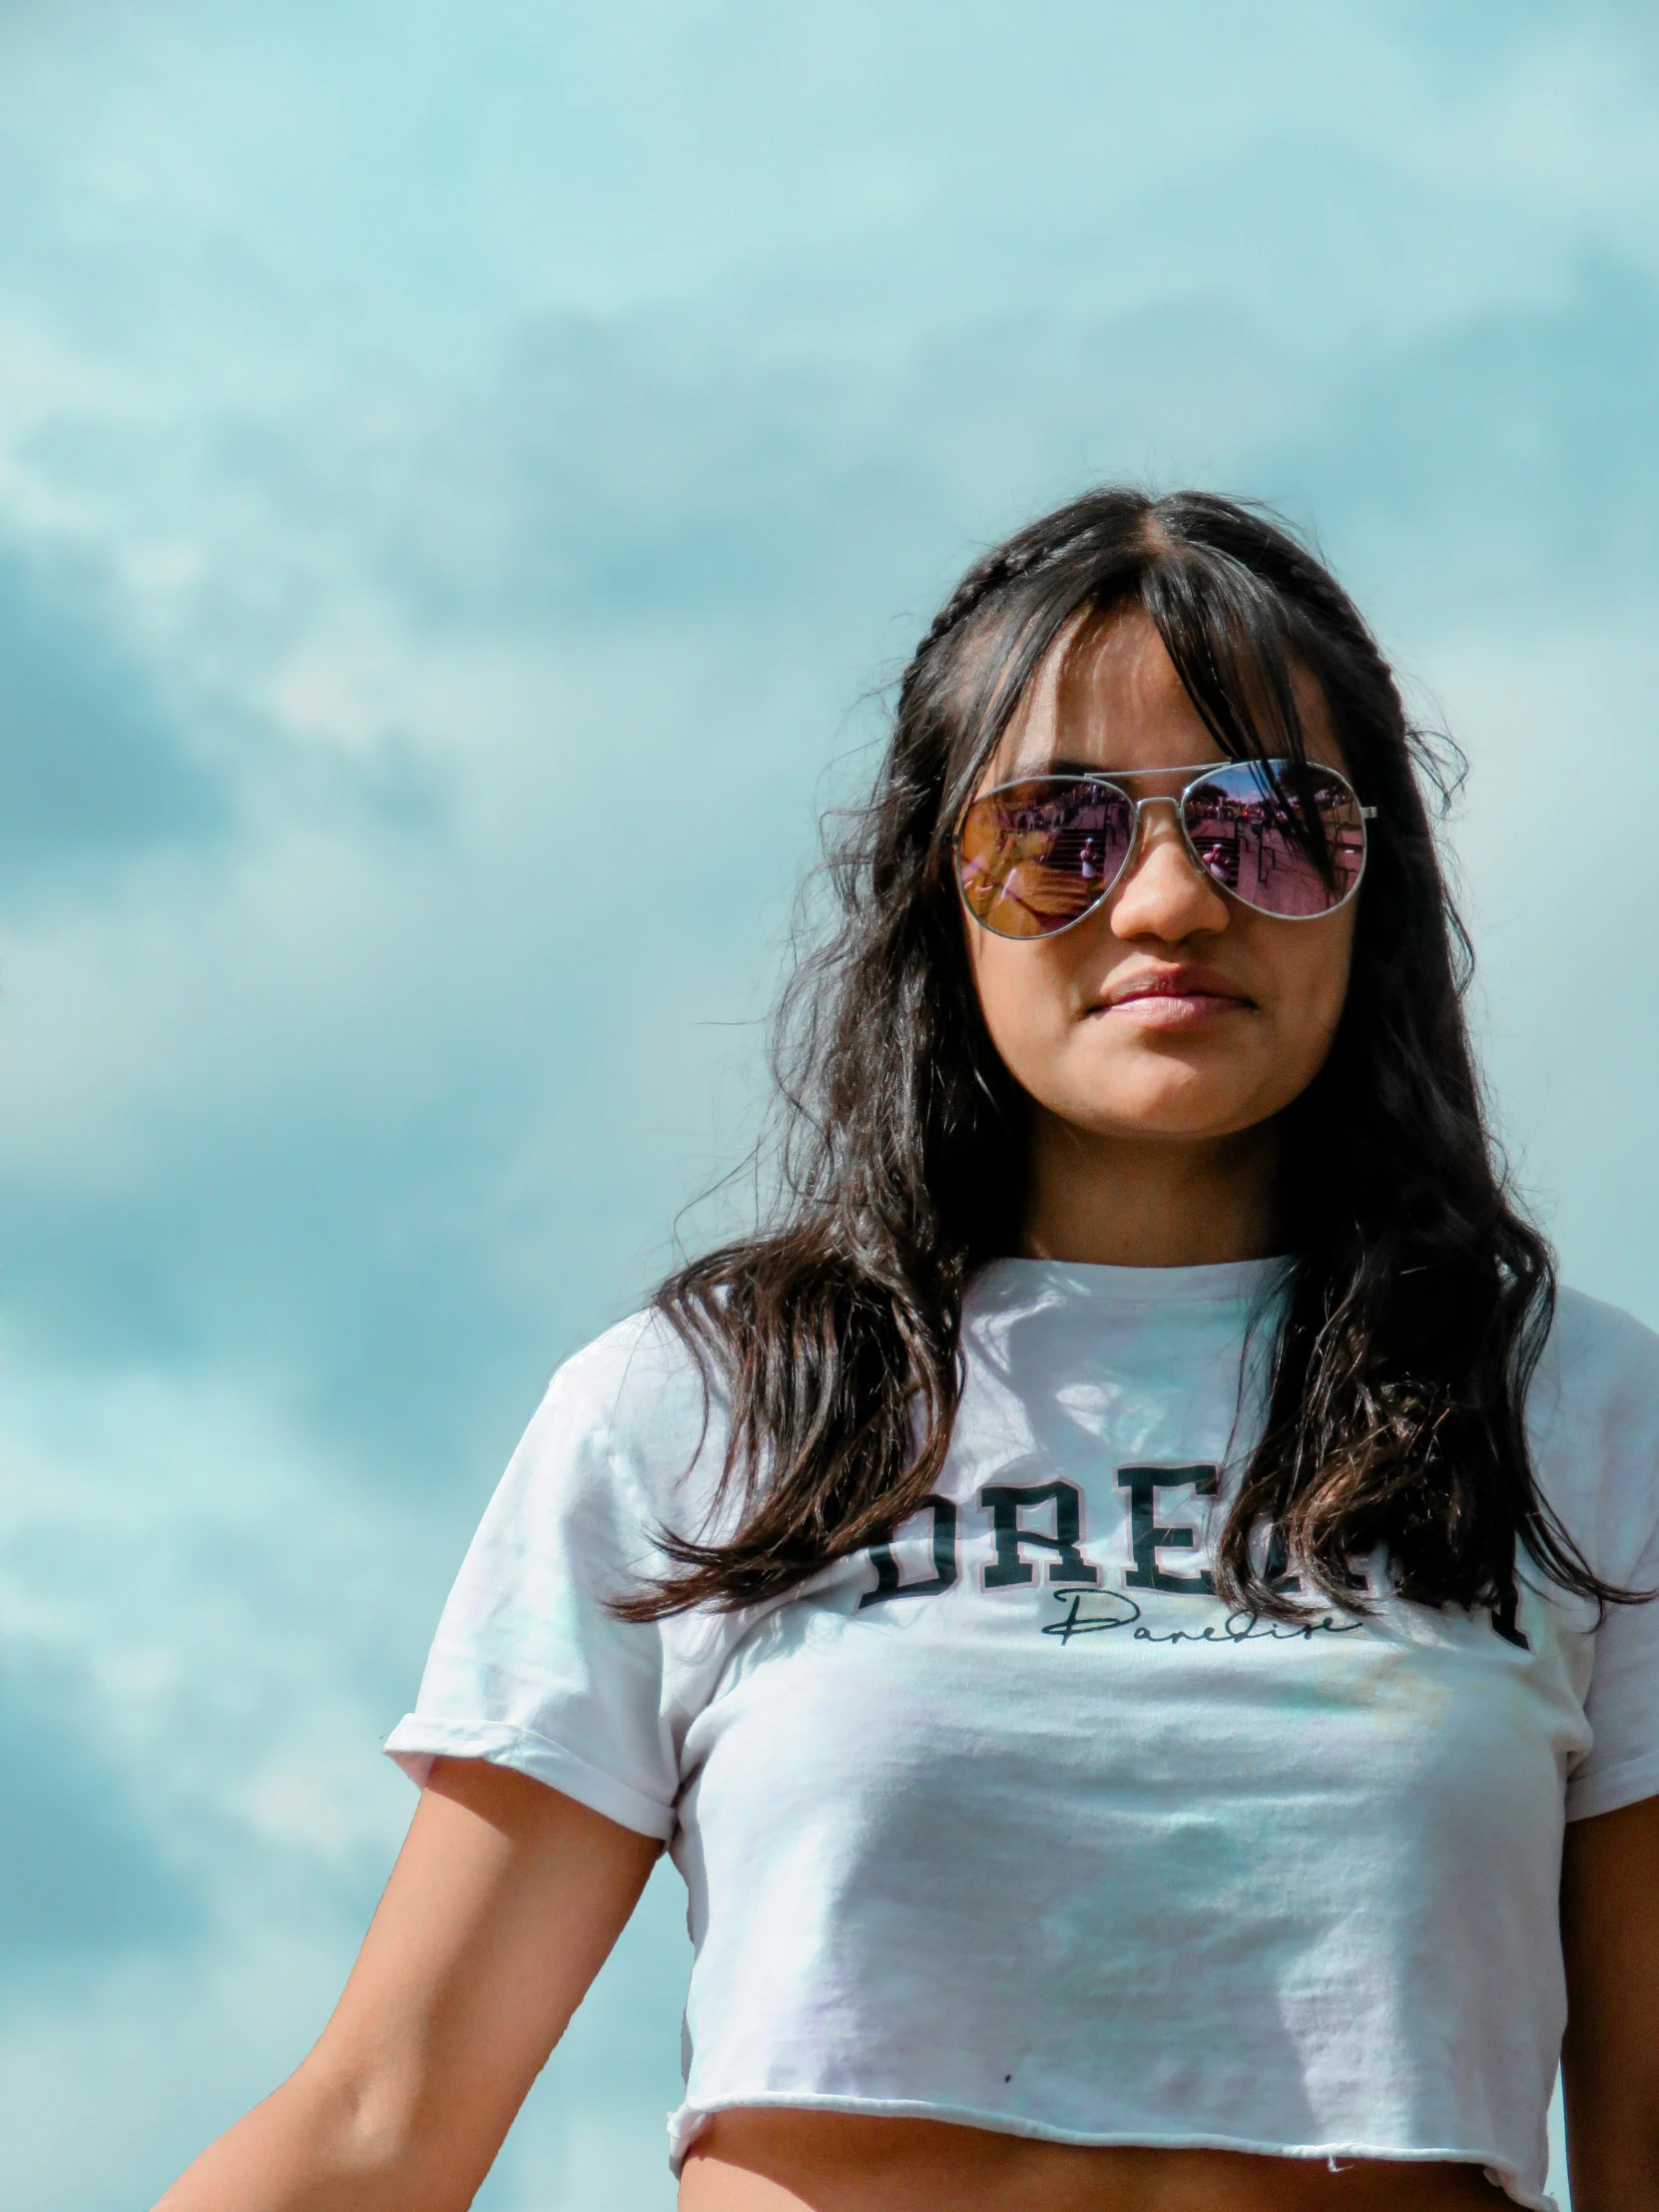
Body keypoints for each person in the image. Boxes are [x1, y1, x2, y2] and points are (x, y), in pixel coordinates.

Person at [155, 489, 1659, 2212]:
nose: (1169, 899)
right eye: (1060, 832)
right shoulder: (716, 1408)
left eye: (1266, 822)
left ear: (1366, 884)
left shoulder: (1578, 1417)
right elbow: (381, 2117)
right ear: (938, 891)